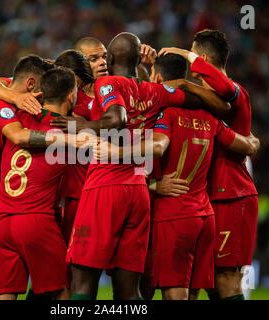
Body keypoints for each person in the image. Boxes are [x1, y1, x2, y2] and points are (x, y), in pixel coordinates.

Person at [51, 32, 230, 300]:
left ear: (111, 59)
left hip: (105, 186)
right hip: (138, 192)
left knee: (82, 280)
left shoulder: (108, 84)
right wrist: (188, 86)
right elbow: (197, 100)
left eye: (103, 57)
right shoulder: (155, 91)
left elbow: (117, 117)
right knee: (129, 289)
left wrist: (83, 125)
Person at [96, 53, 259, 300]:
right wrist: (253, 141)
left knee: (173, 293)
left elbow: (154, 150)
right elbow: (245, 145)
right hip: (204, 216)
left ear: (159, 78)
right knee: (195, 292)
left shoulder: (164, 114)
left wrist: (121, 158)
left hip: (173, 214)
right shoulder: (210, 117)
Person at [0, 67, 79, 300]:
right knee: (62, 292)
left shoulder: (14, 118)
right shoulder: (71, 130)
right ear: (70, 97)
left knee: (3, 294)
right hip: (37, 220)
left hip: (1, 222)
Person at [159, 29, 259, 300]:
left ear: (201, 57)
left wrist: (187, 58)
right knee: (210, 282)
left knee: (226, 279)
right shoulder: (204, 102)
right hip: (206, 199)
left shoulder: (237, 92)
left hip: (231, 195)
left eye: (194, 58)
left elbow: (225, 87)